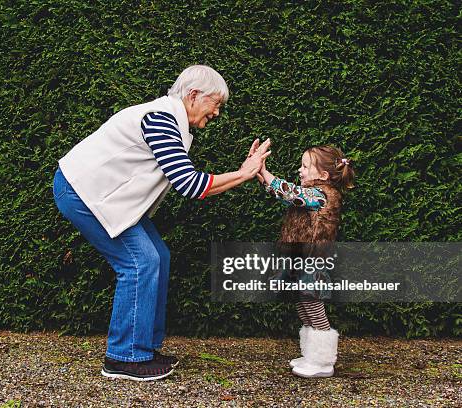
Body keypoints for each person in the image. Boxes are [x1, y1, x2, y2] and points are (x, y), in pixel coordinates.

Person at [53, 65, 271, 381]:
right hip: (82, 191)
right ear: (194, 95)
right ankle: (124, 357)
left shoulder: (170, 120)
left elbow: (187, 182)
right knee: (140, 262)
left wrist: (242, 173)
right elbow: (190, 185)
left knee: (158, 256)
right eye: (216, 103)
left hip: (105, 196)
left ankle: (143, 349)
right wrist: (243, 173)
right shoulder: (161, 119)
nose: (218, 112)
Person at [256, 145, 355, 378]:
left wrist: (266, 173)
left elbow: (291, 193)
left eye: (305, 166)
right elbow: (287, 196)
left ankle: (323, 361)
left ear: (323, 176)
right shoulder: (311, 193)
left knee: (312, 305)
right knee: (302, 303)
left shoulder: (321, 195)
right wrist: (261, 173)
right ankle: (312, 355)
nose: (300, 170)